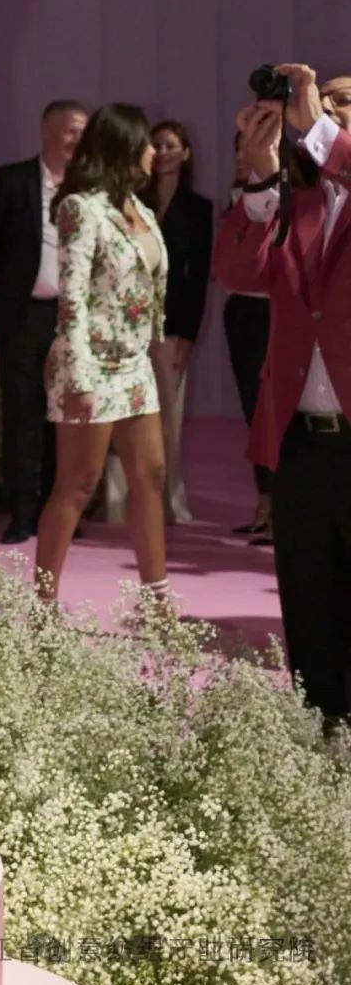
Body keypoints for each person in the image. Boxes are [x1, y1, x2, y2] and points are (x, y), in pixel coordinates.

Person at [213, 65, 351, 726]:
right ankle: (319, 737)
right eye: (324, 101)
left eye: (344, 102)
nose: (327, 108)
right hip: (299, 441)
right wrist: (261, 173)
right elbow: (237, 271)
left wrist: (315, 125)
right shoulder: (299, 206)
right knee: (309, 602)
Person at [35, 105, 170, 605]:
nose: (154, 151)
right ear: (124, 147)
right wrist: (81, 378)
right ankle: (44, 607)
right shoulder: (81, 208)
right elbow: (71, 299)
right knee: (78, 484)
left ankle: (157, 603)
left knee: (150, 476)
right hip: (88, 363)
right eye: (146, 142)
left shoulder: (140, 208)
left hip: (134, 364)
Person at [0, 100, 88, 542]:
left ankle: (59, 512)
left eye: (84, 132)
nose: (78, 139)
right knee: (22, 413)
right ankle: (22, 512)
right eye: (72, 130)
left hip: (71, 320)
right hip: (21, 316)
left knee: (65, 419)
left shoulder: (88, 186)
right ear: (47, 130)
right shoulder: (11, 180)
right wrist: (18, 281)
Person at [138, 120, 213, 524]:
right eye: (157, 145)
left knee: (169, 417)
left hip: (172, 326)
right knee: (127, 416)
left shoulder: (199, 209)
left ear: (185, 153)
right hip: (130, 324)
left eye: (170, 145)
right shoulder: (133, 200)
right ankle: (120, 500)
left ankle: (171, 499)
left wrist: (189, 334)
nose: (163, 152)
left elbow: (198, 277)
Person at [222, 131, 273, 543]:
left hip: (278, 311)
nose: (242, 155)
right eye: (238, 148)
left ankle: (279, 507)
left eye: (250, 147)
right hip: (242, 311)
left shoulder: (289, 194)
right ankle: (266, 501)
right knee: (253, 411)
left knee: (275, 410)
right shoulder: (236, 198)